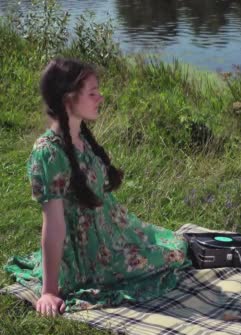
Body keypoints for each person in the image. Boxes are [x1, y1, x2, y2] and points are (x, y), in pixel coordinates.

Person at [4, 58, 191, 317]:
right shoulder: (48, 153)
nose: (100, 98)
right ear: (68, 98)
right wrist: (48, 291)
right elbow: (54, 224)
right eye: (92, 93)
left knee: (175, 245)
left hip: (111, 233)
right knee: (169, 257)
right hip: (88, 256)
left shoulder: (80, 138)